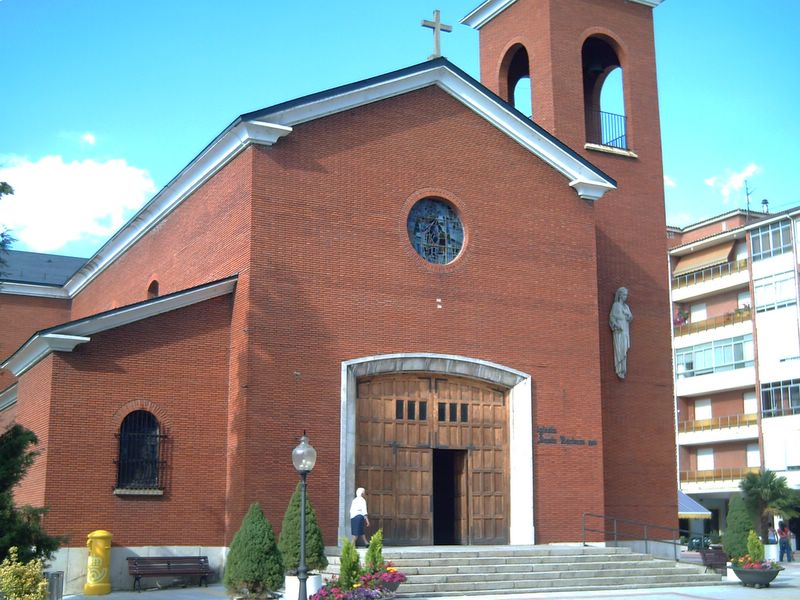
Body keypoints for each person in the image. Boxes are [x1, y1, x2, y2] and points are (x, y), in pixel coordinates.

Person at [609, 287, 633, 379]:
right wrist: (615, 325)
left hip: (625, 330)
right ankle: (619, 368)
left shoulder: (626, 307)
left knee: (625, 349)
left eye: (626, 295)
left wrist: (628, 316)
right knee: (620, 349)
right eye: (624, 295)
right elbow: (612, 317)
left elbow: (630, 317)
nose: (625, 297)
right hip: (619, 331)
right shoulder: (616, 305)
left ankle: (623, 368)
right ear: (620, 295)